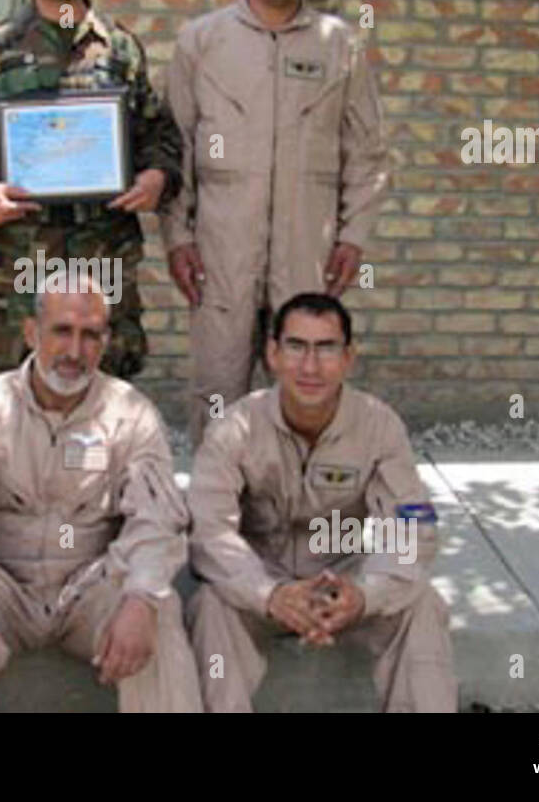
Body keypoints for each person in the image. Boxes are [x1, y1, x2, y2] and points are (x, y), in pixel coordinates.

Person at [0, 272, 201, 712]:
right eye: (62, 331)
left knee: (160, 612)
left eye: (90, 336)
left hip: (89, 588)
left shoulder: (131, 414)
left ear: (105, 342)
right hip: (5, 589)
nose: (74, 351)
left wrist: (141, 596)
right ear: (31, 332)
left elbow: (156, 520)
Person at [161, 0, 390, 447]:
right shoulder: (202, 41)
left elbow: (369, 153)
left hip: (307, 252)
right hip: (221, 251)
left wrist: (355, 236)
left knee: (307, 384)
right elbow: (175, 149)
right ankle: (217, 513)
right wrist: (177, 238)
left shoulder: (340, 46)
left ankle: (300, 511)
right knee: (219, 385)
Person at [185, 292, 456, 713]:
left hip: (342, 583)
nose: (310, 367)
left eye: (326, 348)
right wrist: (270, 594)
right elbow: (207, 529)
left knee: (422, 602)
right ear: (273, 354)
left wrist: (366, 594)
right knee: (210, 607)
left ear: (348, 357)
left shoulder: (379, 426)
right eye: (296, 346)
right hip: (260, 580)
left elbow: (414, 531)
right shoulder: (234, 428)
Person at [0, 0, 182, 380]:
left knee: (109, 379)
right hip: (22, 253)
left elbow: (160, 134)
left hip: (104, 250)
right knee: (10, 380)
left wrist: (157, 176)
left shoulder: (120, 49)